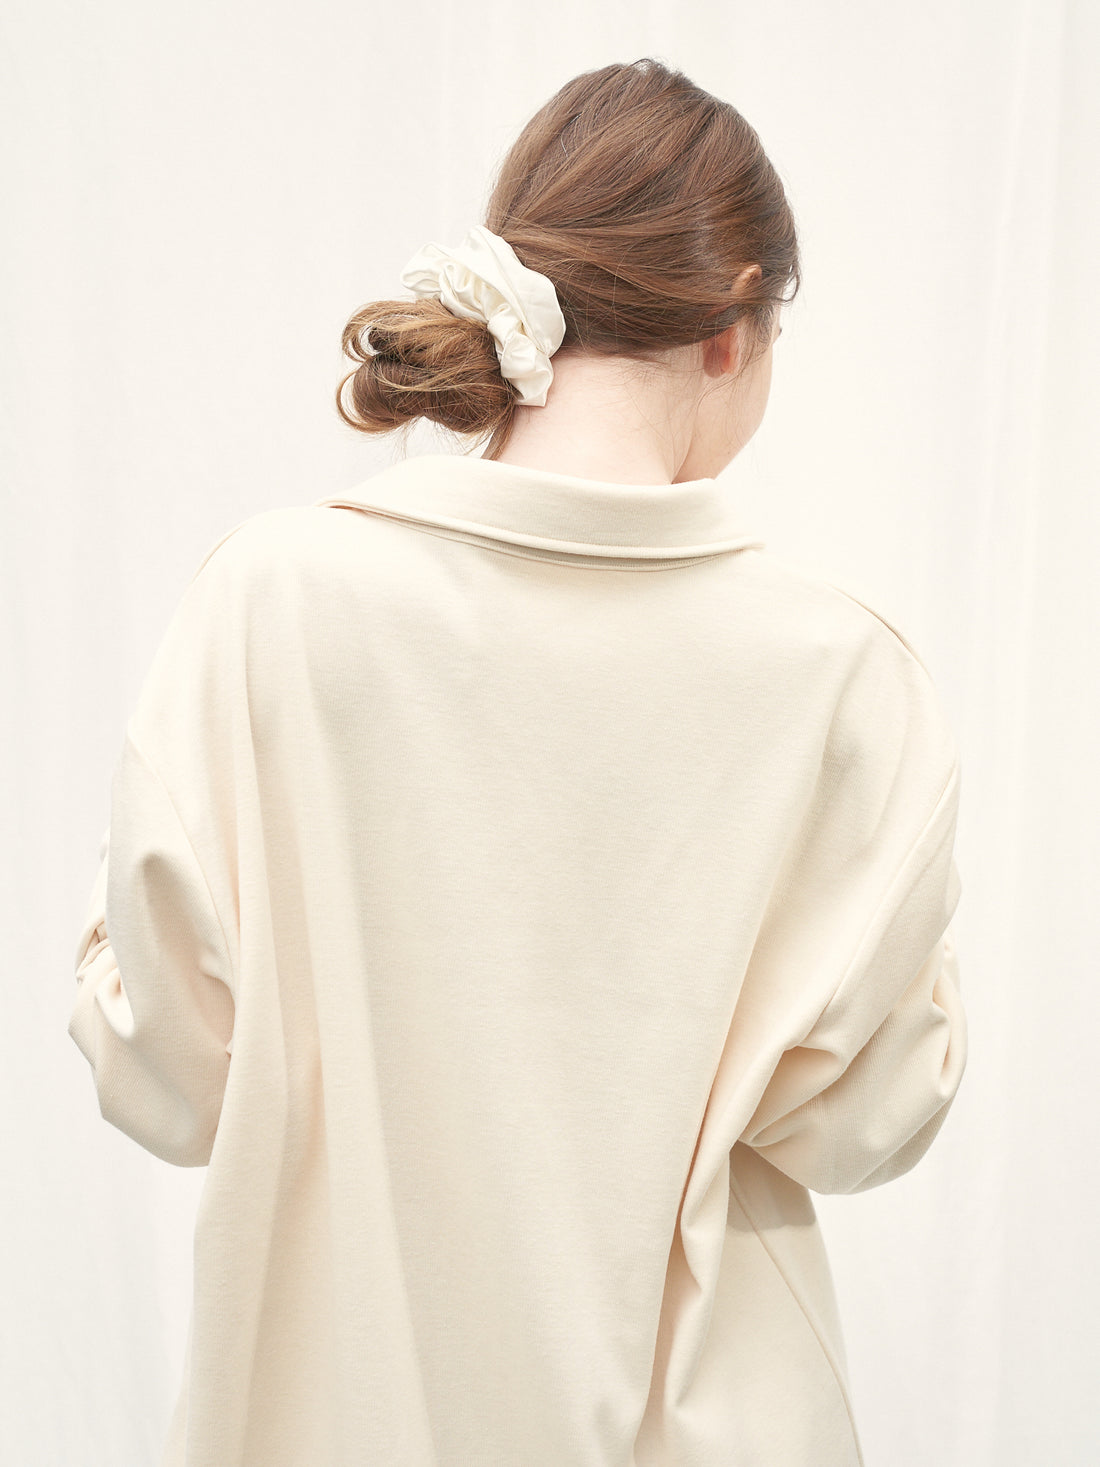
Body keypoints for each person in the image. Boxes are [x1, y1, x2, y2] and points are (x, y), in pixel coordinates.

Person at [69, 57, 967, 1467]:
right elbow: (864, 1122)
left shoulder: (273, 601)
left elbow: (167, 1073)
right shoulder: (843, 668)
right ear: (733, 324)